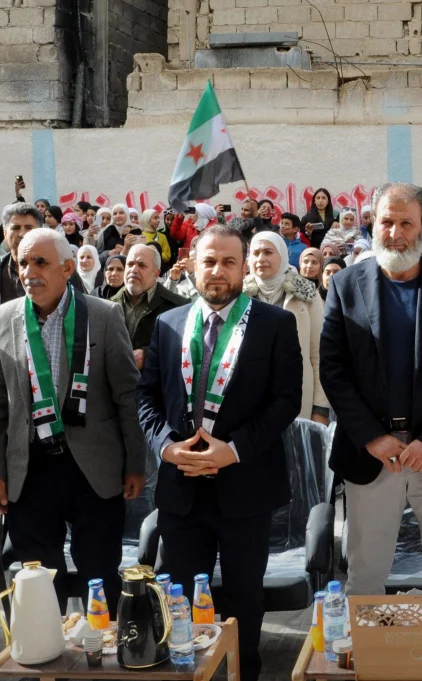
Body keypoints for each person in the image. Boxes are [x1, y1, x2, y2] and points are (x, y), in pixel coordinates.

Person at [137, 224, 303, 681]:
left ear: (244, 266)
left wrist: (234, 450)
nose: (217, 271)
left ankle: (242, 672)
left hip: (245, 488)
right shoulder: (168, 323)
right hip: (181, 489)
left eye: (229, 262)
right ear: (193, 264)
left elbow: (286, 401)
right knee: (180, 600)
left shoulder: (275, 324)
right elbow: (147, 397)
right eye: (209, 261)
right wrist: (166, 447)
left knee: (244, 600)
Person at [320, 182, 422, 595]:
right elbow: (334, 371)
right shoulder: (345, 285)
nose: (395, 233)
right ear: (373, 224)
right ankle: (363, 643)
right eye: (386, 222)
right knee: (364, 578)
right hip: (372, 456)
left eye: (406, 223)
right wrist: (372, 438)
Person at [0, 228, 147, 610]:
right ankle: (51, 645)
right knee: (40, 582)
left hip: (94, 469)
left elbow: (127, 396)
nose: (29, 272)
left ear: (68, 268)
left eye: (40, 262)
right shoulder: (1, 318)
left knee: (99, 575)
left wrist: (135, 463)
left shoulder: (103, 315)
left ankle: (102, 646)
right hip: (29, 469)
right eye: (22, 263)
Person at [0, 203, 85, 417]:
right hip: (6, 375)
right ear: (5, 232)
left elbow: (82, 317)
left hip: (55, 372)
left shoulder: (62, 271)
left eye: (29, 228)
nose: (22, 234)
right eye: (15, 228)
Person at [244, 232, 329, 424]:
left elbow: (319, 354)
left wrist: (320, 408)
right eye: (255, 253)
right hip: (249, 402)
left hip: (296, 398)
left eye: (268, 252)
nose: (261, 259)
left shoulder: (306, 293)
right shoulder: (240, 295)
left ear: (282, 255)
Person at [111, 244, 187, 369]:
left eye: (142, 265)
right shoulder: (108, 305)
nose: (134, 270)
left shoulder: (179, 307)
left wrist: (148, 355)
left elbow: (184, 350)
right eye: (130, 264)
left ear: (156, 273)